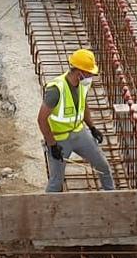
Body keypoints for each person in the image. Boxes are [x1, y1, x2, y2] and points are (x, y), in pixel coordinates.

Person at [40, 48, 115, 192]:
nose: (90, 75)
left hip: (80, 133)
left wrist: (92, 128)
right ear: (79, 70)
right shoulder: (56, 90)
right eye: (88, 72)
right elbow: (41, 120)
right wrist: (52, 144)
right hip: (59, 139)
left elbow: (83, 105)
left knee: (103, 167)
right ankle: (49, 210)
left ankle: (112, 197)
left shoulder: (83, 84)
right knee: (56, 181)